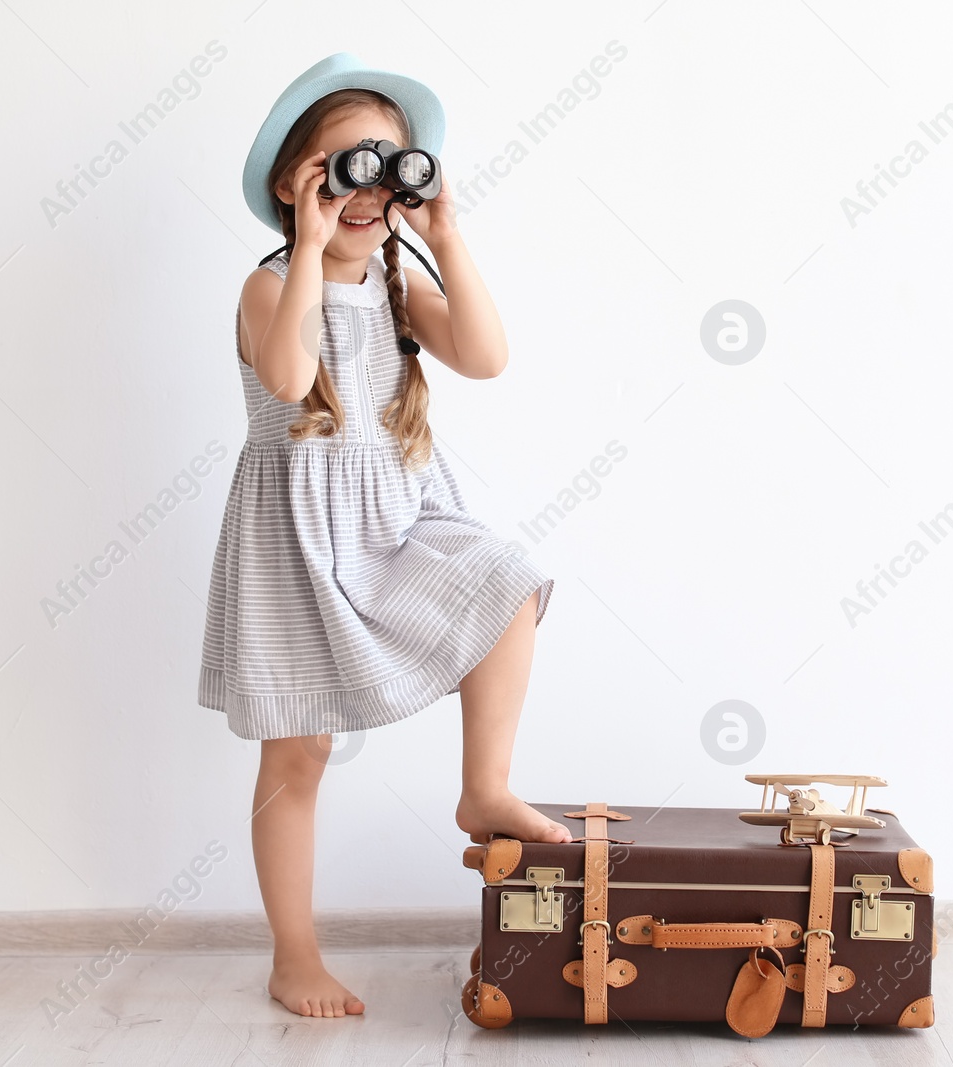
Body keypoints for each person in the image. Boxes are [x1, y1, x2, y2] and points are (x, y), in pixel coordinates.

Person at [198, 53, 572, 1020]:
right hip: (297, 536)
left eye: (389, 167)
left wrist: (446, 233)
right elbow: (286, 379)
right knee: (299, 755)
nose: (368, 189)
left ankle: (483, 787)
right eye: (343, 168)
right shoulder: (268, 282)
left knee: (510, 579)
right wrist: (315, 249)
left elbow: (487, 357)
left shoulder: (402, 291)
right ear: (296, 183)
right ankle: (295, 954)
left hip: (397, 516)